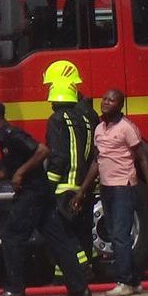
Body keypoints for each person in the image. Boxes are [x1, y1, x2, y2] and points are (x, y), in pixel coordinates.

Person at [0, 101, 90, 296]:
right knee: (57, 239)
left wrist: (21, 173)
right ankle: (79, 288)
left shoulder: (13, 135)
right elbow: (11, 171)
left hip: (33, 193)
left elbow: (43, 151)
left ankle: (15, 289)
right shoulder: (4, 138)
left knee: (12, 236)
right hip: (39, 193)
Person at [73, 89, 148, 296]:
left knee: (121, 236)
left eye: (111, 100)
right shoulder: (99, 129)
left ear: (120, 105)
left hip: (124, 186)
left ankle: (124, 282)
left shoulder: (127, 128)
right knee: (115, 235)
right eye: (104, 99)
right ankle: (134, 280)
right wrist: (82, 191)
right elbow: (97, 161)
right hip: (106, 187)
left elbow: (142, 159)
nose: (105, 103)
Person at [45, 76, 96, 276]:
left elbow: (59, 155)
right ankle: (63, 275)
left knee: (61, 231)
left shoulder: (57, 120)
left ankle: (81, 266)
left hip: (64, 185)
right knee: (81, 230)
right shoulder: (85, 118)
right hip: (83, 185)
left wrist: (49, 183)